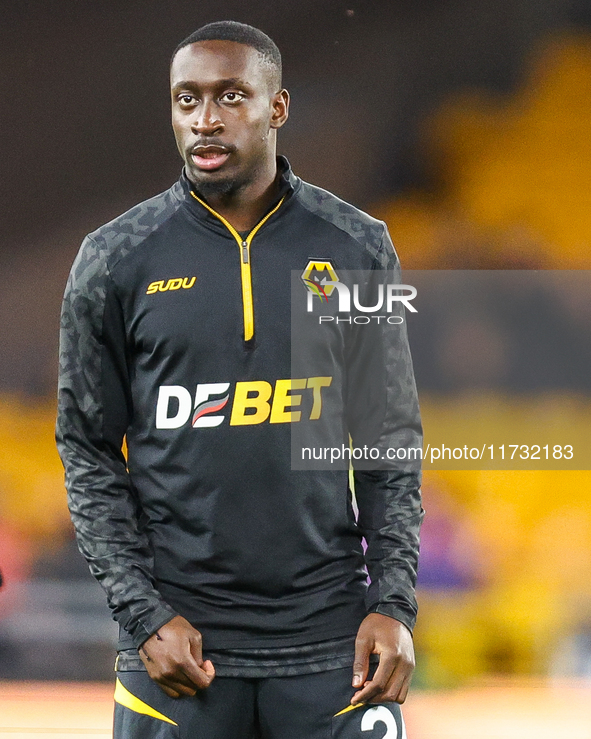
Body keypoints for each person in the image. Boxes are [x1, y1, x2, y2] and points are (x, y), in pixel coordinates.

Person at [56, 20, 423, 739]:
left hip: (332, 642)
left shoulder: (354, 244)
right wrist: (143, 613)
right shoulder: (112, 259)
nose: (204, 119)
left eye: (229, 96)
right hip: (176, 646)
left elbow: (389, 440)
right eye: (185, 100)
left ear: (276, 107)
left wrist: (397, 603)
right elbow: (88, 451)